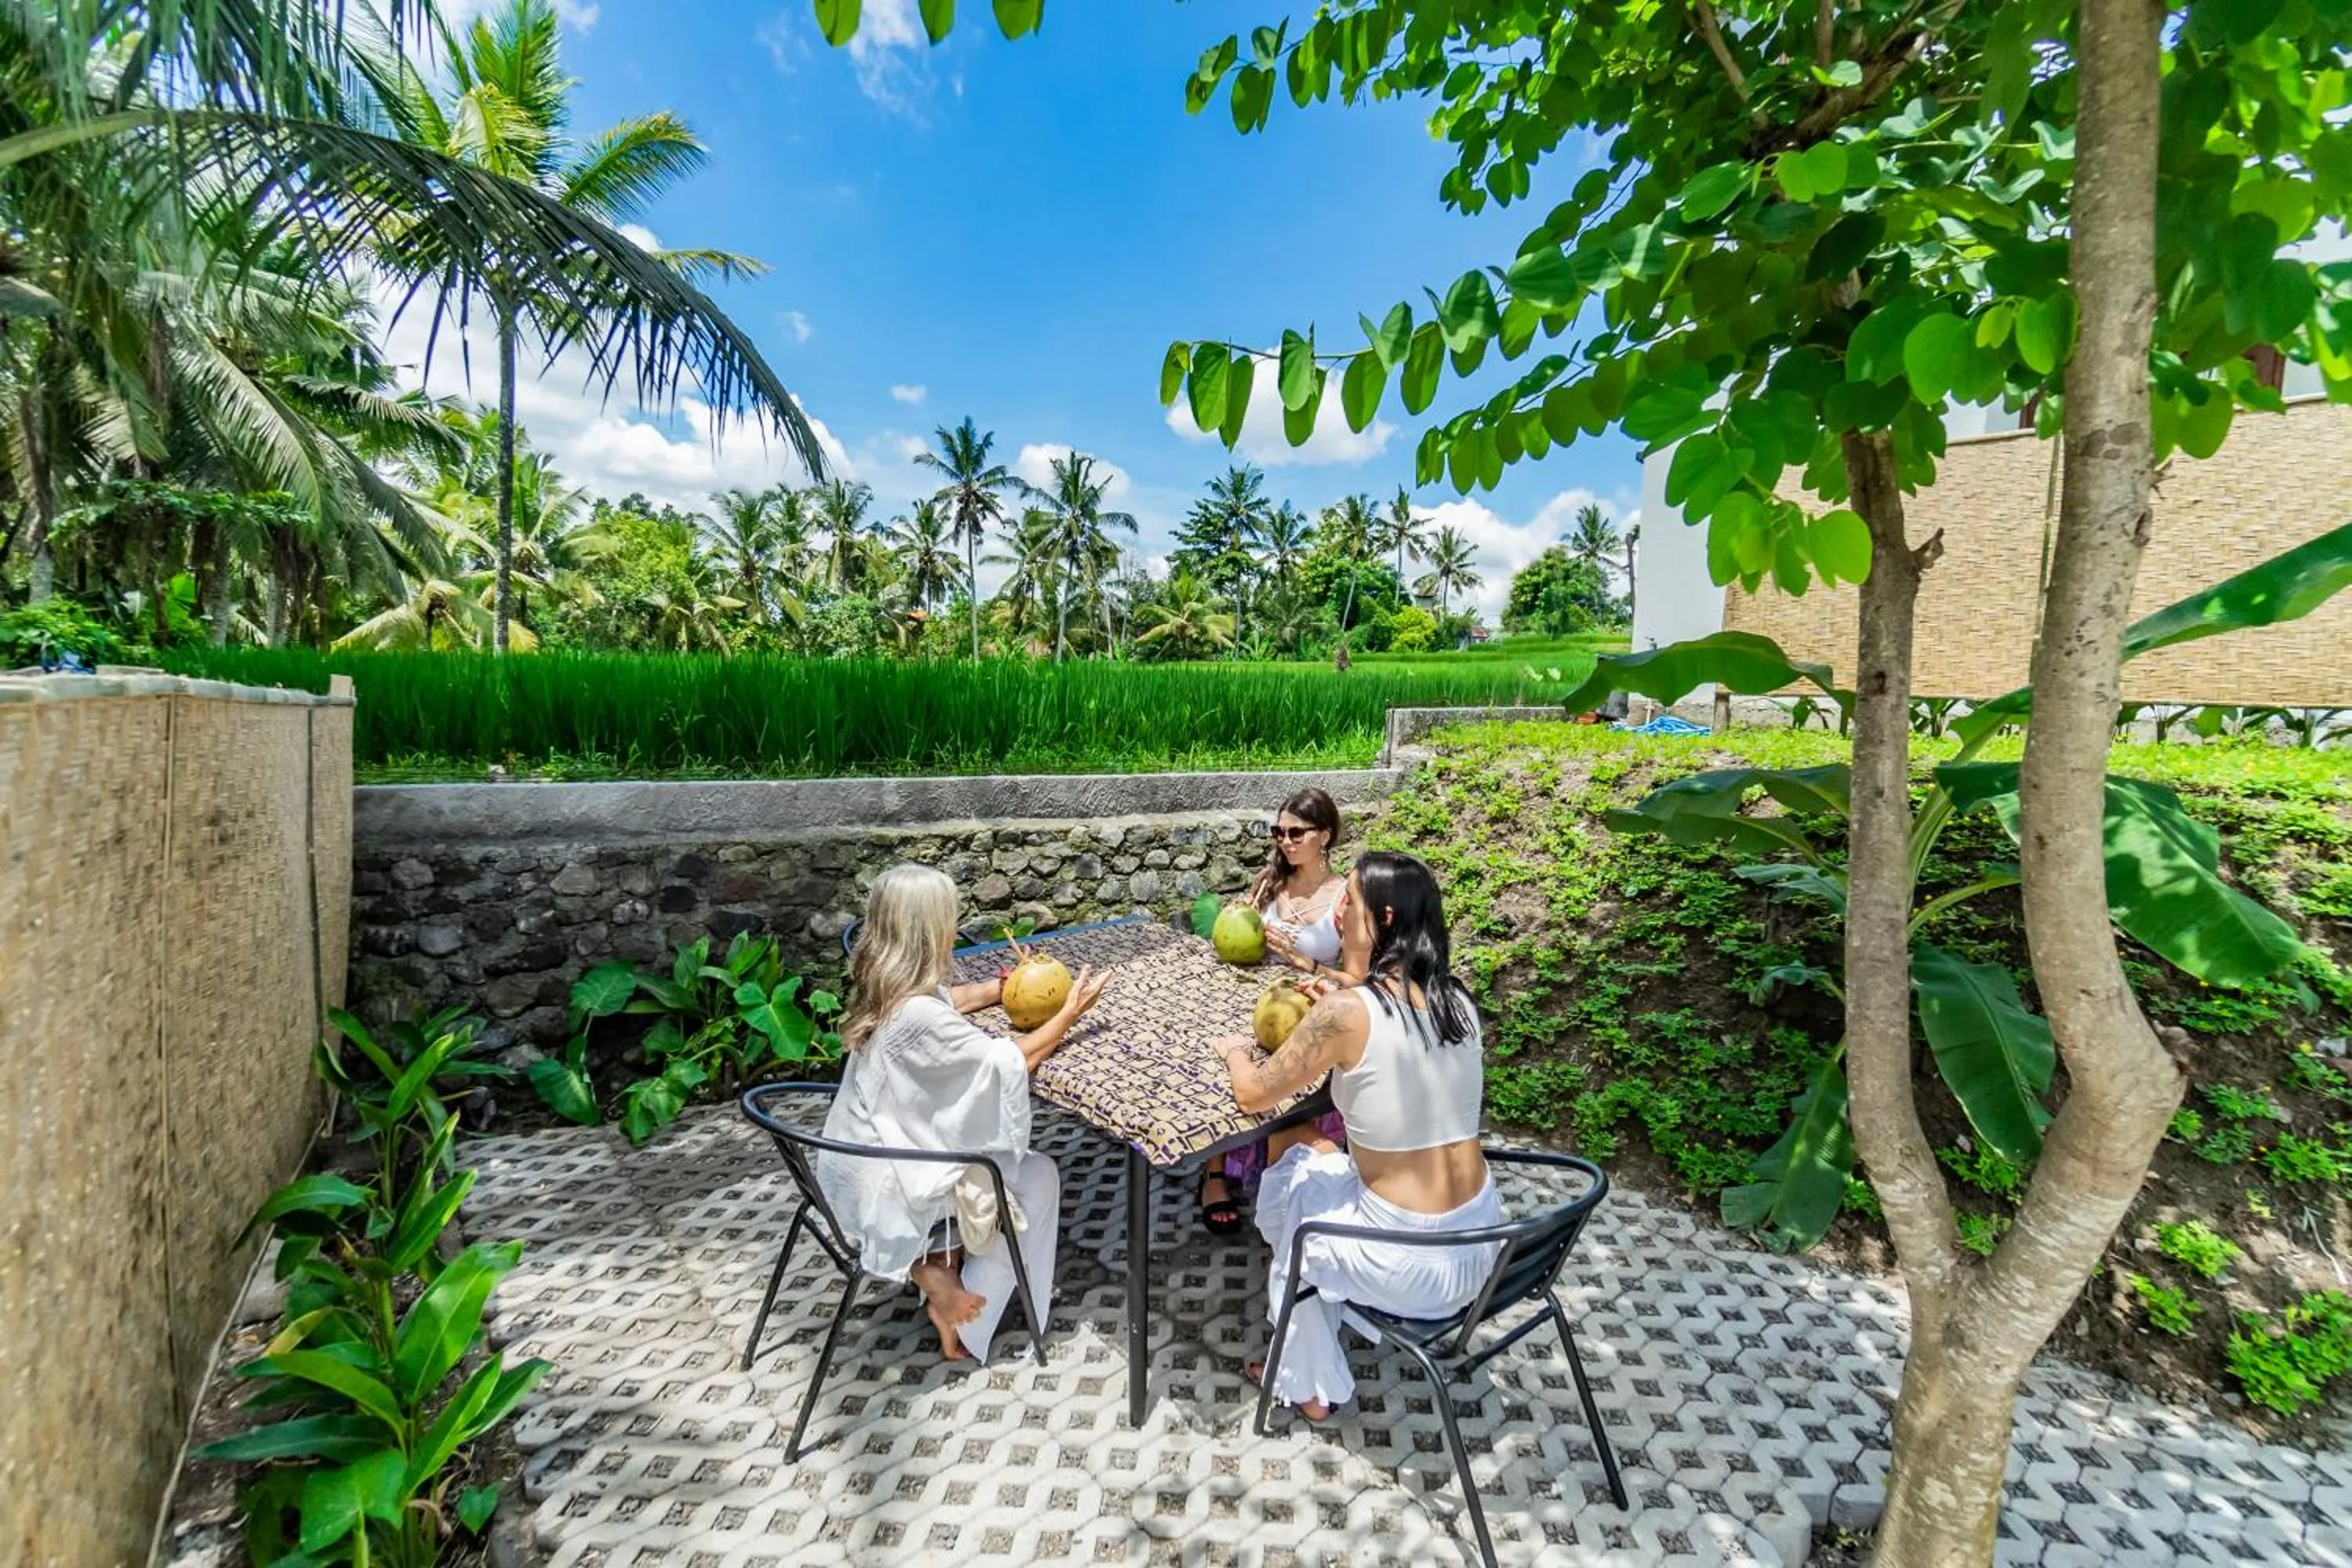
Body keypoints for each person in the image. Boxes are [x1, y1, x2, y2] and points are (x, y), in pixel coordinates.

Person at [1211, 850, 1500, 1421]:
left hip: (1411, 1263)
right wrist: (1338, 1007)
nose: (1339, 912)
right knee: (1302, 1143)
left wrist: (1235, 1054)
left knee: (1293, 1197)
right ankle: (1313, 1329)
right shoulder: (1458, 1001)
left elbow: (1253, 1095)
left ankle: (1307, 1387)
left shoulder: (1350, 1012)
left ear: (1382, 920)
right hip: (1484, 1243)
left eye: (1351, 903)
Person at [817, 864, 1107, 1362]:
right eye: (949, 918)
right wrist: (1069, 1013)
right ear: (929, 932)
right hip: (887, 1183)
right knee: (1035, 1176)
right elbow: (1008, 1063)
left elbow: (954, 998)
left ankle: (940, 1274)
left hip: (852, 1155)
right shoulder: (918, 1018)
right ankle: (965, 1317)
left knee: (1018, 1173)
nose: (955, 927)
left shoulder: (888, 988)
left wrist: (1004, 985)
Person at [1197, 788, 1363, 1236]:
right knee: (1218, 1049)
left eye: (1296, 832)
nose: (1285, 842)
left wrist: (1303, 961)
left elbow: (1356, 979)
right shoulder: (1269, 882)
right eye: (1278, 832)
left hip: (1307, 1004)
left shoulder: (1345, 897)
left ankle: (1287, 1153)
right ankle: (1213, 1169)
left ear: (1324, 836)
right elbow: (1235, 938)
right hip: (1245, 995)